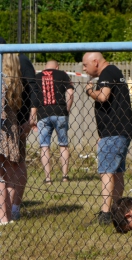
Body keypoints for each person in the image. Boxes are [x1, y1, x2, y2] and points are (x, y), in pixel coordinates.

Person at [83, 52, 132, 225]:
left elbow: (103, 96)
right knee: (117, 173)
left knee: (106, 172)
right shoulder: (114, 71)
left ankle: (105, 214)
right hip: (120, 131)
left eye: (85, 65)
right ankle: (117, 210)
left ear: (95, 62)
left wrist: (90, 91)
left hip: (114, 131)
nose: (84, 68)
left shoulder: (106, 73)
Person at [0, 36, 37, 221]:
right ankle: (8, 210)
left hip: (15, 122)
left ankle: (13, 209)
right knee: (8, 168)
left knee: (14, 165)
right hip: (11, 122)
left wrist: (31, 118)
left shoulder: (20, 60)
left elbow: (34, 88)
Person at [30, 60, 74, 184]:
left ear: (45, 67)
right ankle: (65, 176)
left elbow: (34, 98)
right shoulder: (62, 74)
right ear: (57, 66)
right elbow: (70, 92)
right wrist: (67, 109)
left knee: (44, 146)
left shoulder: (37, 76)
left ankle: (48, 178)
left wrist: (33, 117)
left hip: (43, 113)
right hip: (60, 111)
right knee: (63, 144)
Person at [0, 53, 23, 224]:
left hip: (2, 131)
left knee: (1, 176)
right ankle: (8, 214)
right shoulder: (16, 81)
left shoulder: (2, 82)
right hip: (12, 130)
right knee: (9, 176)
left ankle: (2, 217)